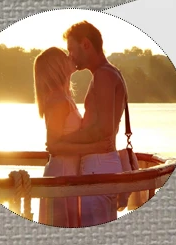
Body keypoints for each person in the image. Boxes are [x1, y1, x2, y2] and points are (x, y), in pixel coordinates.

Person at [47, 21, 127, 227]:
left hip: (98, 167)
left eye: (71, 49)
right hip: (100, 165)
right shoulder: (109, 73)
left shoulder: (104, 75)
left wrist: (62, 140)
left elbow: (103, 130)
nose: (70, 56)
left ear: (85, 44)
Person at [33, 47, 115, 227]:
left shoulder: (65, 97)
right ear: (58, 66)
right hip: (60, 175)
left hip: (69, 175)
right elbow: (54, 146)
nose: (71, 56)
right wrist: (94, 148)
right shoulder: (58, 101)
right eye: (65, 56)